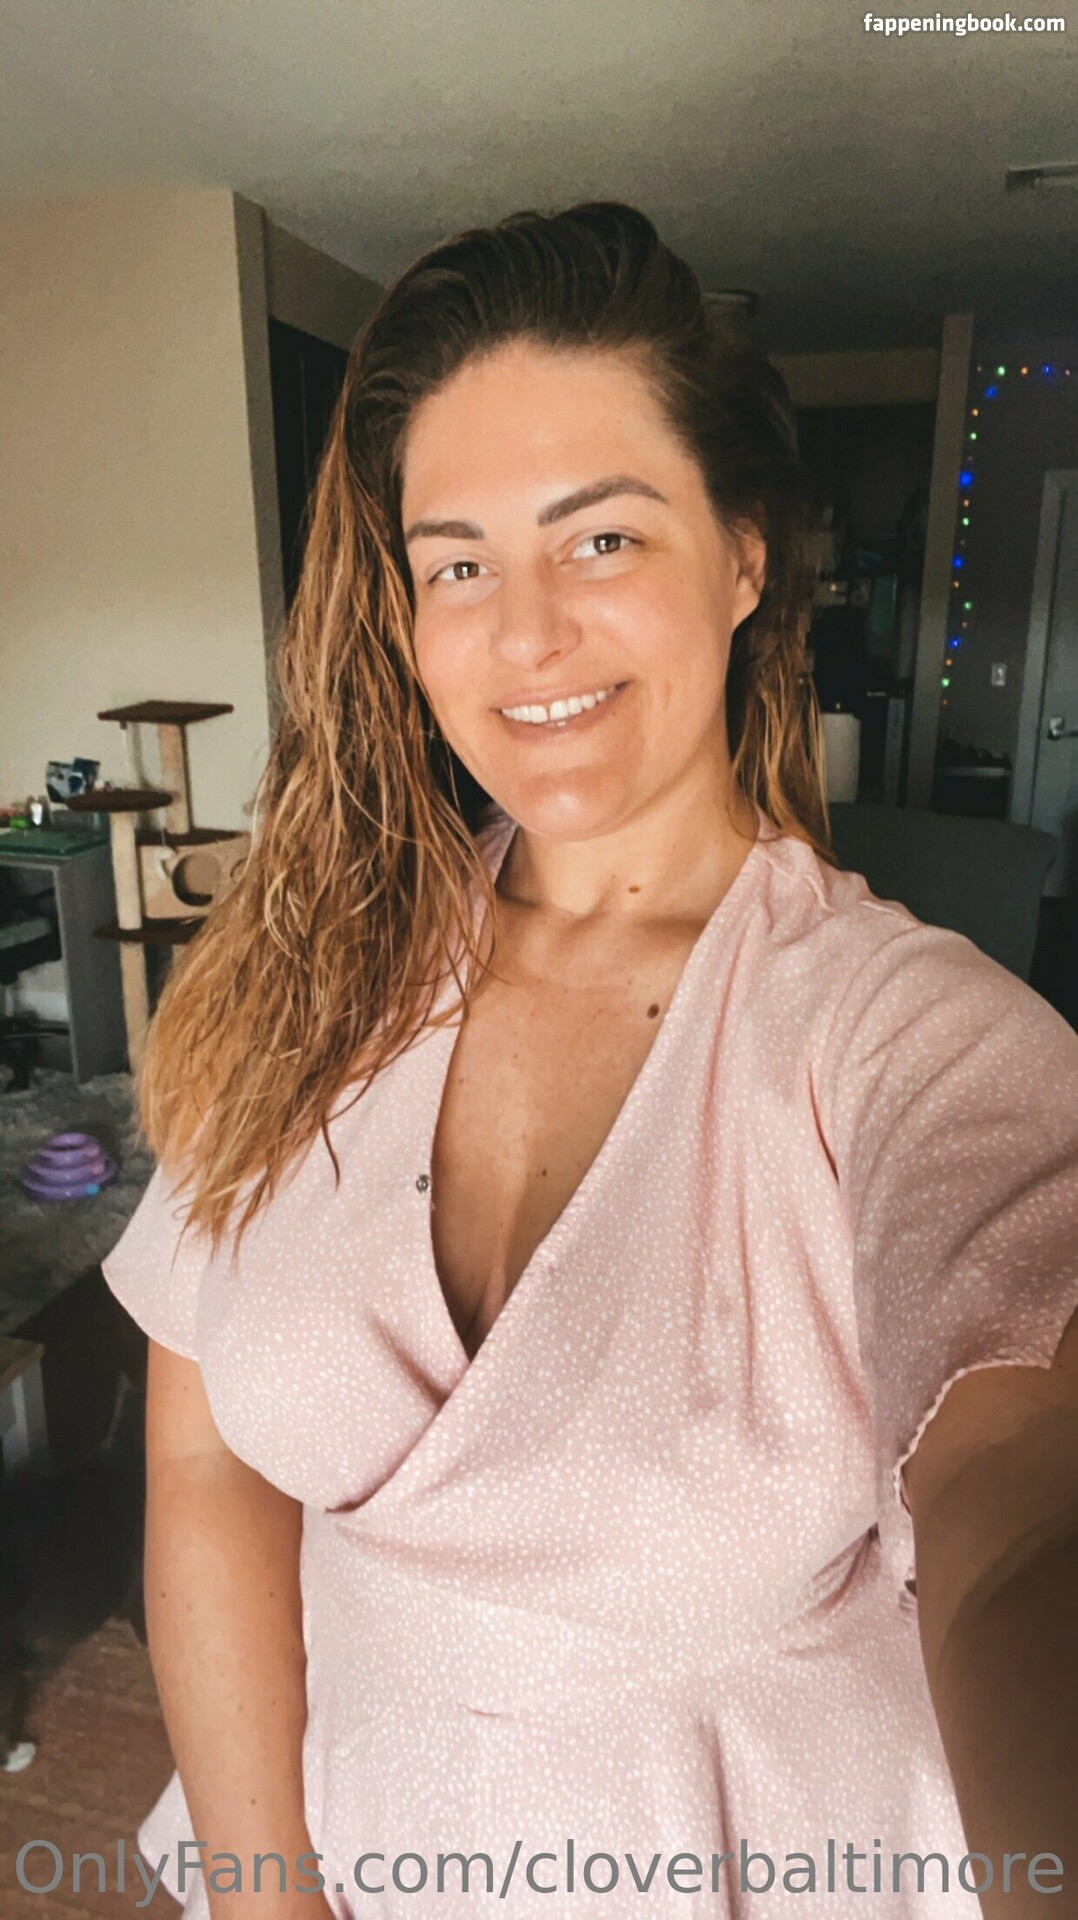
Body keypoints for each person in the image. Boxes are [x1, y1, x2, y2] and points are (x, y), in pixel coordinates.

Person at [100, 203, 1078, 1920]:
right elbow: (202, 1458)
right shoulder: (304, 976)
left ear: (744, 557)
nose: (525, 633)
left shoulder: (907, 1041)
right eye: (457, 564)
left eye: (601, 538)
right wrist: (265, 1895)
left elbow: (1021, 1511)